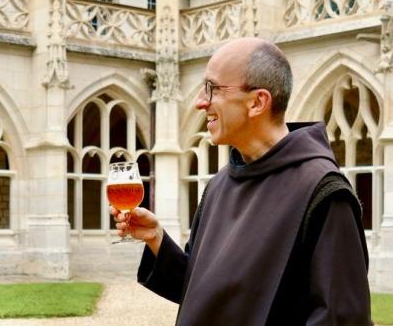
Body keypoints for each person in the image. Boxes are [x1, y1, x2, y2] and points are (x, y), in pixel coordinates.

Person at [113, 37, 371, 325]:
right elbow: (201, 293)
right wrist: (156, 238)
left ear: (257, 102)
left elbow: (341, 318)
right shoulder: (219, 185)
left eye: (212, 89)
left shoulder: (324, 193)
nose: (200, 101)